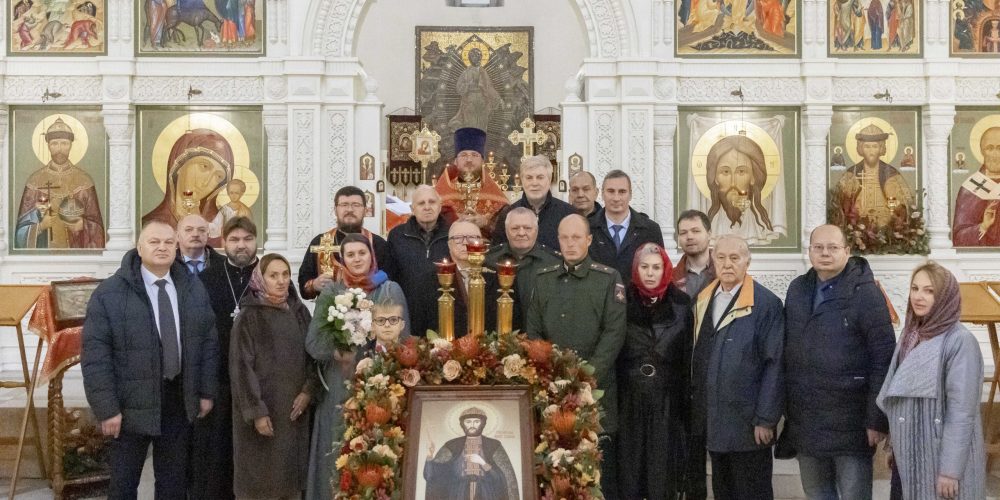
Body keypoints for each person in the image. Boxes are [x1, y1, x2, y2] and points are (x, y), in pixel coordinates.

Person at [81, 220, 218, 499]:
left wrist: (206, 391)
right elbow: (96, 355)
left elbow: (208, 343)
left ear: (177, 247)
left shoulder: (192, 288)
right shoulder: (110, 294)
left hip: (177, 399)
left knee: (173, 483)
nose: (162, 247)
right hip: (129, 405)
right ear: (139, 247)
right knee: (123, 484)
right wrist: (106, 408)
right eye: (154, 242)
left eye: (169, 242)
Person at [783, 225, 896, 500]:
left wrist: (876, 419)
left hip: (852, 421)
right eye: (818, 247)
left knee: (854, 494)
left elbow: (883, 357)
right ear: (809, 251)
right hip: (807, 418)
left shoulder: (866, 293)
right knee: (816, 492)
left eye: (833, 248)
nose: (825, 253)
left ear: (847, 251)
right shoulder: (798, 289)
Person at [527, 214, 626, 498]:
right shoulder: (543, 278)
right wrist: (550, 374)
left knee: (594, 469)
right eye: (564, 237)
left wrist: (587, 375)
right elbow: (534, 331)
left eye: (576, 237)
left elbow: (614, 333)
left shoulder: (607, 278)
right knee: (552, 465)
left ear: (589, 240)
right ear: (557, 240)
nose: (570, 243)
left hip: (595, 390)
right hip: (551, 388)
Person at [306, 234, 409, 500]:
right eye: (350, 255)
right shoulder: (332, 293)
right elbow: (314, 342)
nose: (356, 259)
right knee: (336, 451)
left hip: (379, 387)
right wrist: (340, 352)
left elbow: (404, 342)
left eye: (361, 253)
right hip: (339, 386)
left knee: (377, 453)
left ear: (371, 256)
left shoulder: (389, 289)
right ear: (342, 260)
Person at [877, 262, 986, 500]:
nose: (919, 297)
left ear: (945, 296)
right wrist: (894, 446)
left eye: (929, 291)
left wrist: (950, 471)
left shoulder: (959, 341)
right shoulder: (910, 334)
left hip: (939, 456)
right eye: (915, 289)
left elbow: (962, 412)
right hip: (909, 450)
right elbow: (899, 396)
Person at [689, 235, 783, 500]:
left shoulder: (766, 304)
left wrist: (766, 419)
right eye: (721, 257)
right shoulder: (704, 298)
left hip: (749, 425)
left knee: (752, 491)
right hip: (716, 421)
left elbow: (774, 365)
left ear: (747, 261)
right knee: (723, 492)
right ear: (712, 260)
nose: (727, 264)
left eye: (735, 258)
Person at [230, 253, 318, 499]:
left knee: (290, 483)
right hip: (263, 414)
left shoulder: (300, 312)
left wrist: (308, 391)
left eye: (285, 275)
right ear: (260, 278)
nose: (281, 281)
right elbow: (241, 369)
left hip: (293, 412)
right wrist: (257, 412)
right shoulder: (249, 316)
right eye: (273, 275)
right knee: (261, 485)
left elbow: (314, 358)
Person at [189, 216, 258, 499]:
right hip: (217, 379)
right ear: (223, 243)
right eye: (234, 240)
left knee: (254, 449)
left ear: (256, 242)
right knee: (216, 450)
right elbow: (196, 334)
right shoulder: (205, 280)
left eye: (247, 239)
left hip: (257, 382)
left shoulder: (269, 275)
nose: (241, 246)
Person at [618, 243, 693, 500]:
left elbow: (687, 355)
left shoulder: (681, 303)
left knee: (662, 473)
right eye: (644, 267)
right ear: (636, 269)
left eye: (656, 267)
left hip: (667, 399)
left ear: (665, 270)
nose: (650, 273)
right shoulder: (621, 300)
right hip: (629, 397)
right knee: (630, 471)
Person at [15, 117, 106, 249]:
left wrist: (83, 225)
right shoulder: (35, 181)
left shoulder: (84, 181)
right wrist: (40, 227)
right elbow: (19, 231)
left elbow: (98, 228)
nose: (59, 149)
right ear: (48, 146)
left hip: (76, 256)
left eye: (64, 143)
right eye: (54, 144)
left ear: (71, 145)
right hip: (43, 256)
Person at [142, 129, 234, 247]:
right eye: (204, 166)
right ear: (180, 165)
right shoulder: (150, 224)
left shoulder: (219, 226)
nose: (207, 182)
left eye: (218, 176)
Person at [298, 185, 390, 299]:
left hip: (371, 311)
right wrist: (314, 284)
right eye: (344, 205)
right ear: (335, 210)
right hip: (329, 313)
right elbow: (303, 287)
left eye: (356, 205)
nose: (350, 210)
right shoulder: (320, 242)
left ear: (366, 210)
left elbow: (389, 279)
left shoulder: (378, 243)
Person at [385, 185, 451, 337]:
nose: (427, 207)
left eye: (432, 202)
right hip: (409, 311)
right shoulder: (398, 236)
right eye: (421, 203)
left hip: (444, 313)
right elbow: (391, 276)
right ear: (412, 209)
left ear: (440, 206)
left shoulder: (452, 233)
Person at [484, 207, 561, 331]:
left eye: (527, 228)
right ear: (506, 230)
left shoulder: (554, 263)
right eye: (515, 228)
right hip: (496, 338)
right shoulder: (489, 260)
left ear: (536, 230)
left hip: (540, 340)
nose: (521, 233)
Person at [423, 406, 519, 499]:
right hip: (458, 493)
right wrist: (429, 455)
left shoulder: (494, 445)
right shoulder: (452, 445)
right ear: (462, 424)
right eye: (468, 422)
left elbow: (503, 477)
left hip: (486, 493)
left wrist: (483, 463)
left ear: (483, 423)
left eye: (476, 421)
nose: (472, 425)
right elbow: (432, 475)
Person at [703, 136, 784, 245]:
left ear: (753, 177)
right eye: (725, 172)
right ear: (715, 178)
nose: (733, 183)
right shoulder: (708, 228)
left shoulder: (762, 230)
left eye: (741, 171)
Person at [588, 170, 664, 286]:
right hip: (598, 300)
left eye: (622, 192)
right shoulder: (588, 228)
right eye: (611, 191)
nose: (616, 198)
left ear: (630, 194)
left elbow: (660, 270)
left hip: (637, 301)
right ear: (602, 194)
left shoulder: (650, 230)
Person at [833, 124, 914, 229]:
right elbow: (840, 205)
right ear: (860, 149)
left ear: (881, 148)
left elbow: (904, 207)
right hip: (857, 228)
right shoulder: (851, 174)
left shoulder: (892, 174)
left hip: (887, 230)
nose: (871, 152)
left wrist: (898, 209)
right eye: (867, 146)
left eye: (875, 146)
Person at [434, 127, 509, 235]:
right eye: (463, 155)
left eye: (474, 155)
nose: (469, 160)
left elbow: (508, 230)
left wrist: (486, 223)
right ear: (455, 161)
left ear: (483, 161)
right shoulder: (441, 195)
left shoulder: (497, 198)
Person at [491, 155, 575, 251]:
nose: (534, 183)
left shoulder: (568, 214)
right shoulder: (507, 214)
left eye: (540, 177)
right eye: (529, 178)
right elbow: (498, 253)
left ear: (549, 180)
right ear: (522, 181)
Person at [953, 126, 1000, 246]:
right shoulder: (970, 188)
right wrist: (983, 226)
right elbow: (958, 237)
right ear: (982, 151)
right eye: (990, 148)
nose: (996, 154)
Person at [447, 220, 485, 337]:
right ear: (449, 244)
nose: (465, 243)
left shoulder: (497, 276)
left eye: (472, 237)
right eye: (458, 238)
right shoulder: (432, 278)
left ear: (481, 242)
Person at [672, 210, 716, 299]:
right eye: (683, 233)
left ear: (709, 234)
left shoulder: (725, 272)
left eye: (695, 231)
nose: (689, 237)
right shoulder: (670, 278)